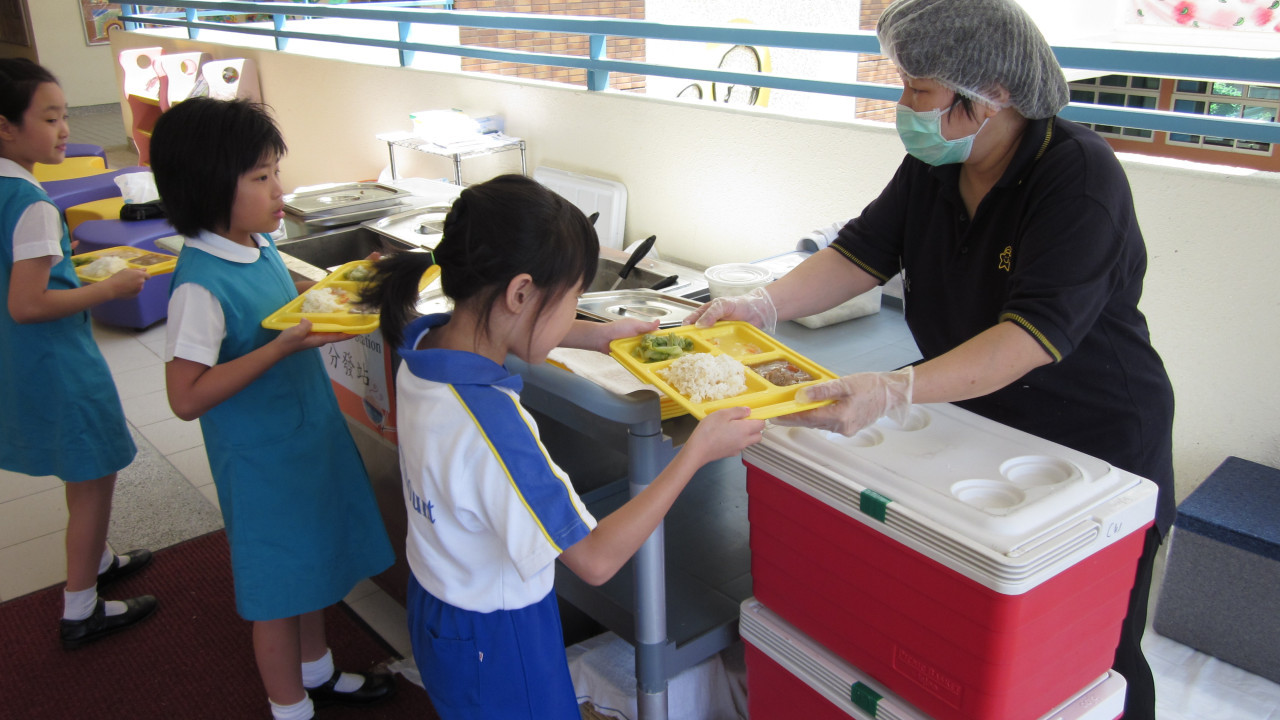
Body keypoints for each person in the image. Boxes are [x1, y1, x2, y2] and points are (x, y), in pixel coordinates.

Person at [687, 1, 1175, 718]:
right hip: (983, 422)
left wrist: (893, 388)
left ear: (991, 96)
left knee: (1088, 654)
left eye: (919, 90)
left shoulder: (1078, 177)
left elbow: (1029, 338)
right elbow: (861, 253)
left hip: (1094, 435)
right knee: (983, 638)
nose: (904, 105)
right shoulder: (938, 163)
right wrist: (760, 306)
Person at [361, 173, 765, 719]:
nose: (574, 309)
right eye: (573, 298)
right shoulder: (494, 430)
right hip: (500, 642)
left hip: (439, 608)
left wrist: (592, 332)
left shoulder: (423, 345)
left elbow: (506, 325)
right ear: (520, 292)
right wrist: (696, 451)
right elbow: (595, 560)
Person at [150, 98, 397, 720]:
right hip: (260, 463)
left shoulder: (255, 244)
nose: (278, 190)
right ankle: (289, 707)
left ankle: (317, 672)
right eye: (260, 178)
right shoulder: (200, 285)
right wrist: (282, 347)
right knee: (276, 591)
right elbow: (185, 397)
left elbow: (287, 310)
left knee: (312, 563)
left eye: (274, 172)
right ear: (208, 187)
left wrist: (342, 284)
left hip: (305, 437)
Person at [0, 58, 158, 650]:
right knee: (95, 474)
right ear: (5, 127)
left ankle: (98, 560)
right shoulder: (31, 203)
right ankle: (81, 608)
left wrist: (73, 270)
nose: (65, 128)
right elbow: (29, 303)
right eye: (50, 117)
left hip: (20, 361)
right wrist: (109, 288)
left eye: (65, 115)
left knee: (77, 464)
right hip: (57, 361)